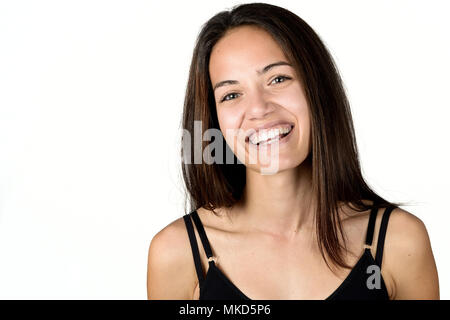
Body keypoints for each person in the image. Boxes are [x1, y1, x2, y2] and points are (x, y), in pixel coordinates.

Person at [147, 3, 439, 300]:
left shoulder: (398, 242)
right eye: (231, 94)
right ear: (215, 120)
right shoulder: (177, 253)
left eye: (278, 79)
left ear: (317, 87)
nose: (259, 108)